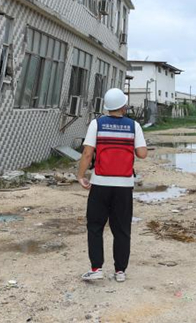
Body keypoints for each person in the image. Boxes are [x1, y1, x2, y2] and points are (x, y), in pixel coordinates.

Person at [77, 88, 148, 283]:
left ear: (107, 106)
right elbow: (142, 154)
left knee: (95, 226)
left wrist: (81, 175)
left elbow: (87, 153)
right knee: (122, 229)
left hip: (100, 183)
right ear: (124, 106)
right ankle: (120, 271)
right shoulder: (134, 126)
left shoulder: (96, 124)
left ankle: (96, 268)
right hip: (124, 185)